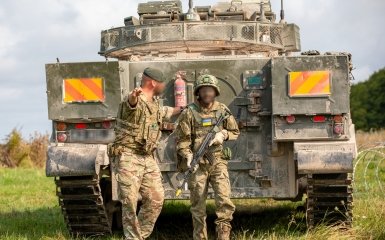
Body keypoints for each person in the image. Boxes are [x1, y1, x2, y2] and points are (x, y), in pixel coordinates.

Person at [109, 67, 180, 240]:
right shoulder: (135, 100)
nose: (164, 86)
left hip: (147, 158)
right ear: (153, 82)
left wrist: (183, 108)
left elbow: (165, 112)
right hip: (129, 157)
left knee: (156, 198)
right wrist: (133, 98)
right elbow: (130, 105)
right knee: (130, 203)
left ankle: (138, 236)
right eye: (162, 83)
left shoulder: (154, 103)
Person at [175, 74, 240, 240]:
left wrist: (223, 135)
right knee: (197, 207)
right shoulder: (189, 112)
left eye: (210, 89)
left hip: (218, 162)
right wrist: (188, 155)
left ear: (215, 91)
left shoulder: (222, 110)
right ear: (198, 92)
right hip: (197, 165)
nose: (207, 93)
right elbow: (182, 141)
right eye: (203, 90)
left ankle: (223, 236)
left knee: (224, 201)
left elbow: (235, 132)